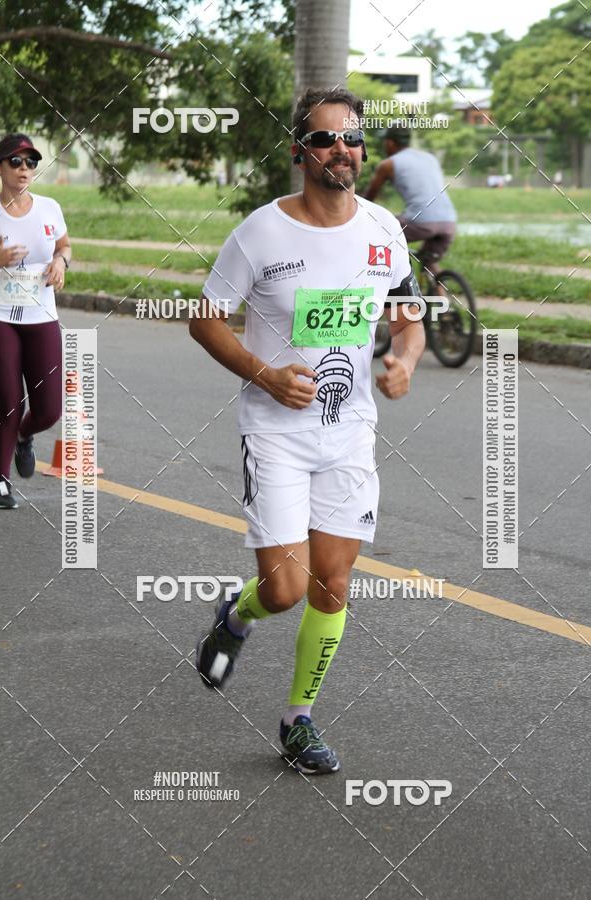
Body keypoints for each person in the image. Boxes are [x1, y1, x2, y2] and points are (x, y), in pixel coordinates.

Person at [189, 88, 425, 774]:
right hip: (276, 432)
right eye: (325, 140)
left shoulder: (384, 228)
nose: (341, 151)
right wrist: (264, 374)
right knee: (286, 588)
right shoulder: (261, 232)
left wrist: (403, 362)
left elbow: (410, 320)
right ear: (299, 152)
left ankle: (298, 718)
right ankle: (237, 615)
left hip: (349, 430)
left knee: (333, 583)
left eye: (352, 139)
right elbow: (205, 318)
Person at [0, 133, 71, 509]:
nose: (25, 169)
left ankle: (25, 436)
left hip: (41, 315)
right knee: (8, 403)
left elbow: (64, 245)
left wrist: (60, 262)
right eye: (16, 161)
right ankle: (0, 481)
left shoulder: (50, 208)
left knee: (49, 410)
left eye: (32, 162)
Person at [364, 125, 457, 275]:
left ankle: (391, 282)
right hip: (449, 222)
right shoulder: (430, 158)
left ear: (390, 143)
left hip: (421, 222)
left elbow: (368, 199)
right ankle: (441, 294)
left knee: (380, 238)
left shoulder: (388, 164)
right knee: (429, 263)